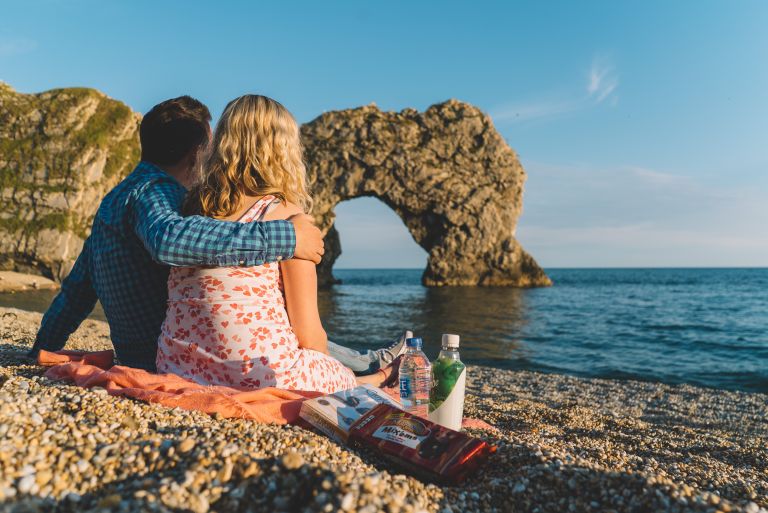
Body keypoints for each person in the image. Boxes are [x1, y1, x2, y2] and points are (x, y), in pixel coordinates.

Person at [29, 96, 323, 369]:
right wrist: (288, 237)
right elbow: (168, 239)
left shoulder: (113, 201)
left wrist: (43, 347)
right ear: (197, 153)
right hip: (169, 356)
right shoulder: (156, 191)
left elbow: (76, 292)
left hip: (142, 354)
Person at [155, 95, 401, 393]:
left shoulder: (191, 212)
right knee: (323, 363)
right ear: (283, 149)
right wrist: (328, 367)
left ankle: (370, 372)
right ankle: (376, 378)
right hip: (259, 377)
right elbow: (309, 336)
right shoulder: (288, 219)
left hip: (178, 367)